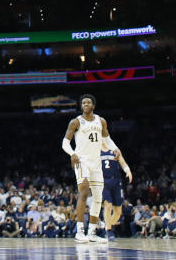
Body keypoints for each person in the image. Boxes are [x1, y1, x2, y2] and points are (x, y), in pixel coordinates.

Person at [62, 94, 116, 243]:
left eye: (88, 102)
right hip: (82, 161)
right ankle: (79, 231)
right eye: (83, 103)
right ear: (81, 106)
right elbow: (65, 142)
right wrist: (72, 153)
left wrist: (115, 149)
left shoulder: (101, 121)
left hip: (96, 163)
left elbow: (107, 139)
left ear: (93, 106)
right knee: (84, 191)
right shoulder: (76, 122)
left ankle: (92, 232)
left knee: (98, 197)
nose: (86, 104)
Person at [100, 144, 132, 240]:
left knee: (118, 211)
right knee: (108, 205)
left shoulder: (115, 149)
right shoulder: (96, 150)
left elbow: (122, 161)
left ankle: (107, 225)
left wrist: (128, 170)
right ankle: (109, 231)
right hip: (103, 181)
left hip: (116, 181)